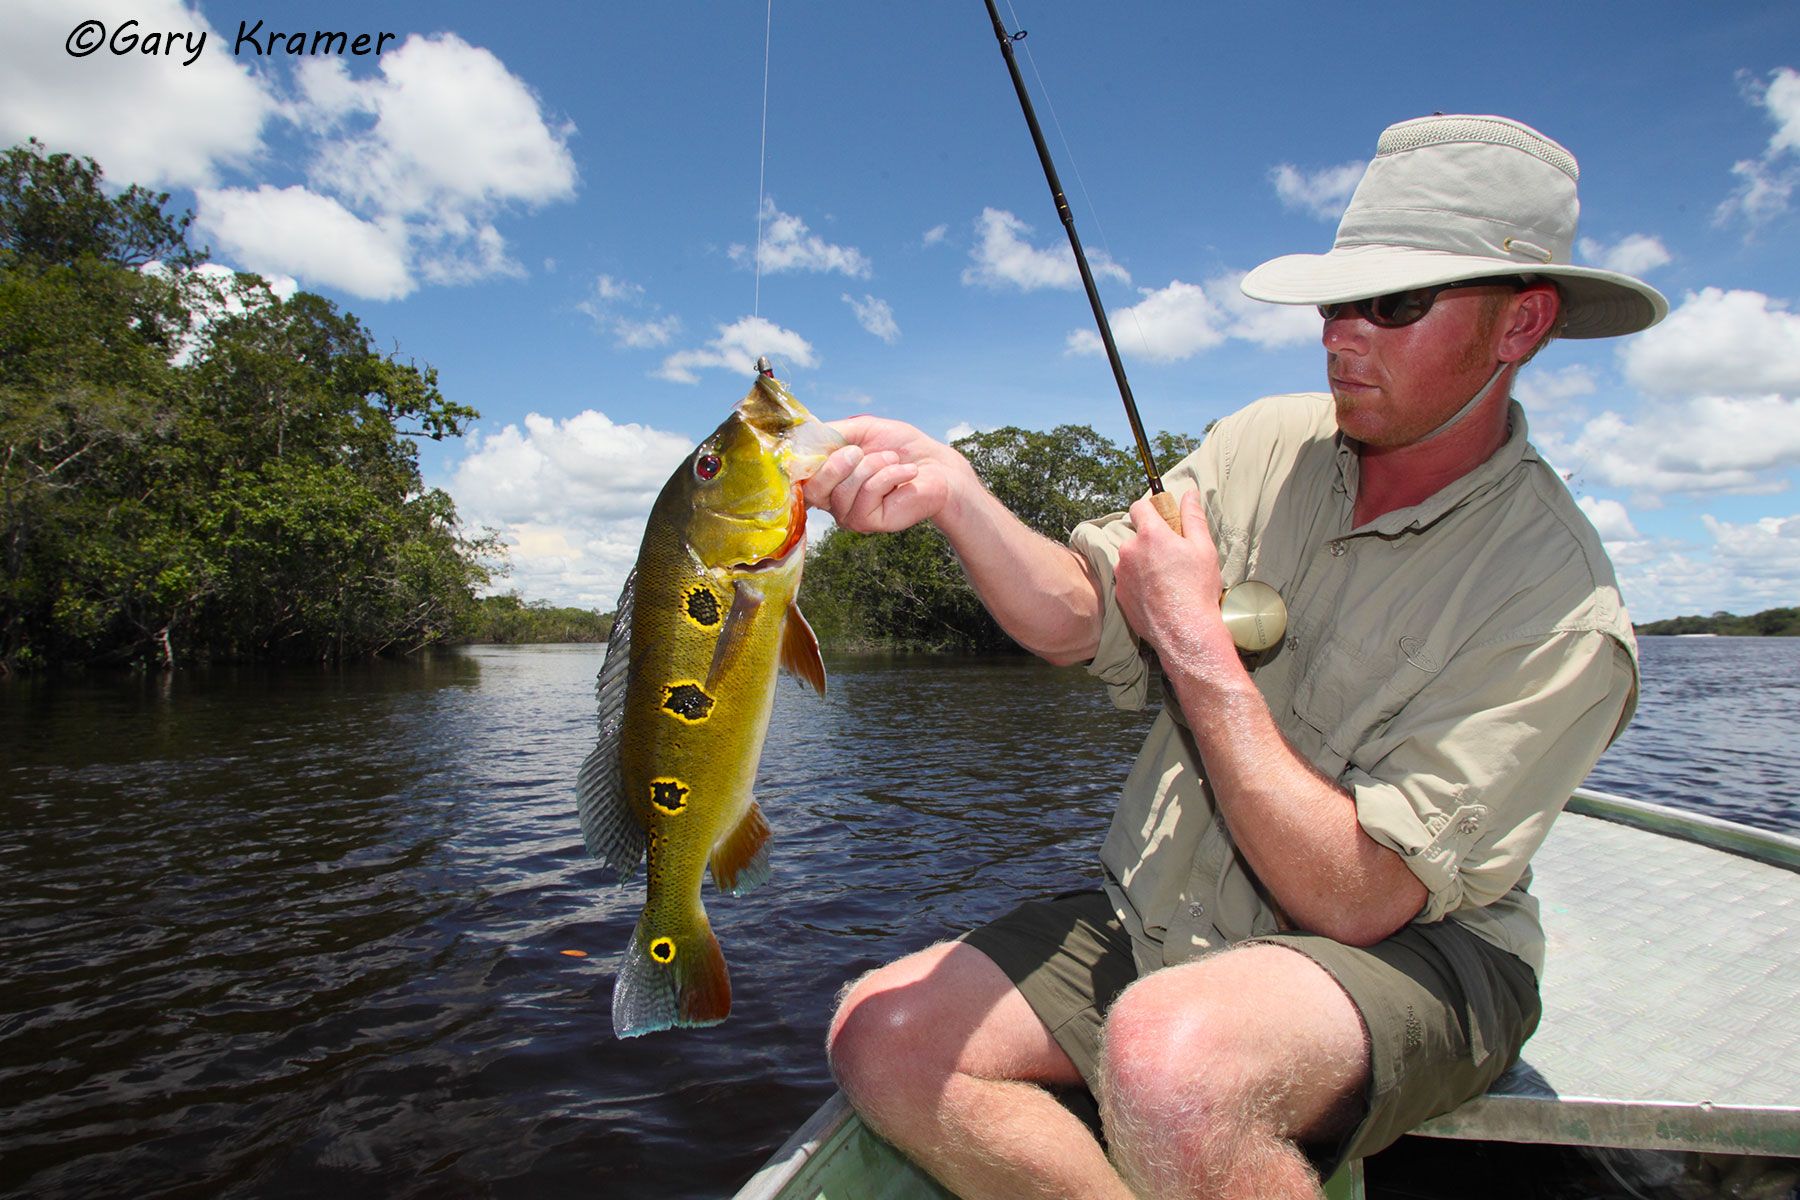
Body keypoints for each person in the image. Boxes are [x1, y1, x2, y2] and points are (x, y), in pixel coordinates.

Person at [803, 114, 1667, 1199]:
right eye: (1335, 302)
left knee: (1172, 1065)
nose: (1341, 336)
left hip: (1419, 953)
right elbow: (1081, 614)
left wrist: (1198, 643)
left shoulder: (1561, 609)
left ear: (1520, 324)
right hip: (1170, 908)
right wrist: (960, 500)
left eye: (1393, 305)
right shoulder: (1264, 440)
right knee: (882, 1038)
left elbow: (1361, 899)